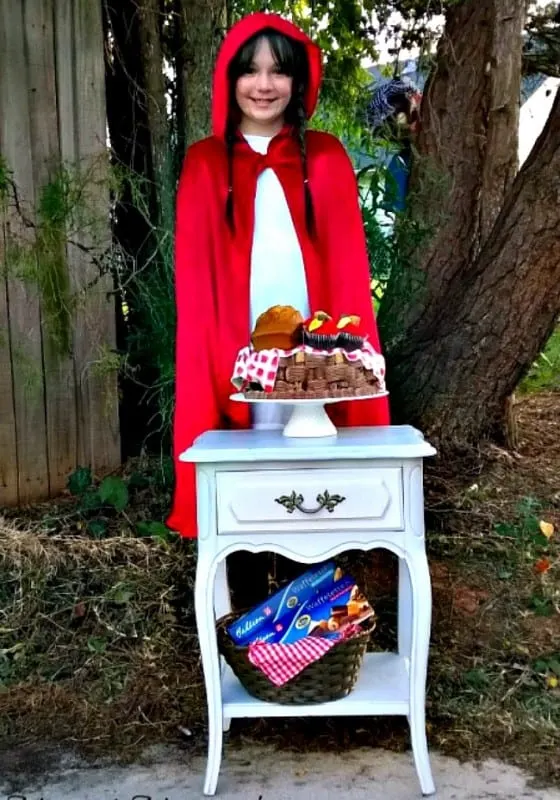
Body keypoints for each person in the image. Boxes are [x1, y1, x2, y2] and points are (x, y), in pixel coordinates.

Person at [167, 13, 390, 559]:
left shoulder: (328, 157)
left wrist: (341, 350)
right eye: (249, 70)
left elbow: (349, 274)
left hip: (316, 342)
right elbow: (195, 284)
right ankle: (247, 565)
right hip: (232, 339)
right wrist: (211, 355)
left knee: (311, 434)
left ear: (298, 82)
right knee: (251, 439)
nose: (263, 85)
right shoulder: (202, 163)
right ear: (229, 79)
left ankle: (324, 566)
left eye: (277, 72)